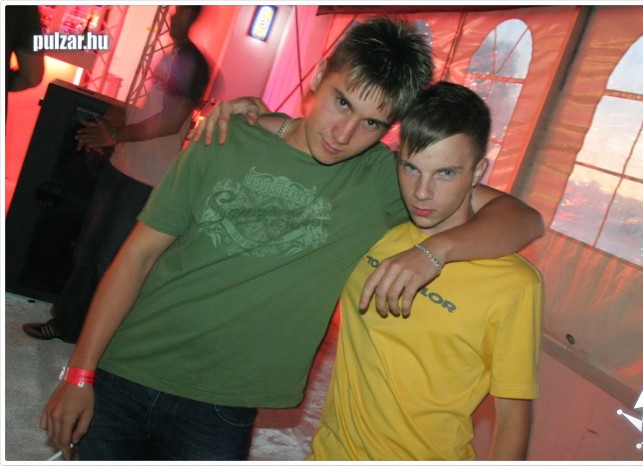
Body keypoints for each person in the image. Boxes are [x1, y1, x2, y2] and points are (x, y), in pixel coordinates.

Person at [40, 18, 543, 461]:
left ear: (389, 129)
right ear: (319, 77)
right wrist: (80, 373)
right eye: (341, 102)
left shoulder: (389, 179)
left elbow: (522, 218)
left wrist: (435, 252)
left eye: (371, 123)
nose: (343, 134)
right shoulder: (226, 137)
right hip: (127, 368)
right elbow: (137, 255)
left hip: (223, 404)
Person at [307, 81, 542, 461]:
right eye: (411, 168)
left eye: (445, 173)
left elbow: (514, 417)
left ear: (478, 171)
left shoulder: (514, 284)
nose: (421, 192)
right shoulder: (374, 232)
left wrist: (434, 253)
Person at [22, 5, 210, 343]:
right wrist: (110, 124)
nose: (171, 16)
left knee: (109, 261)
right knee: (88, 252)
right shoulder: (171, 56)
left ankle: (96, 336)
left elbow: (171, 121)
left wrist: (114, 135)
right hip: (124, 166)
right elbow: (139, 104)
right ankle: (67, 324)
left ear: (192, 15)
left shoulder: (190, 61)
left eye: (179, 10)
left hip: (146, 178)